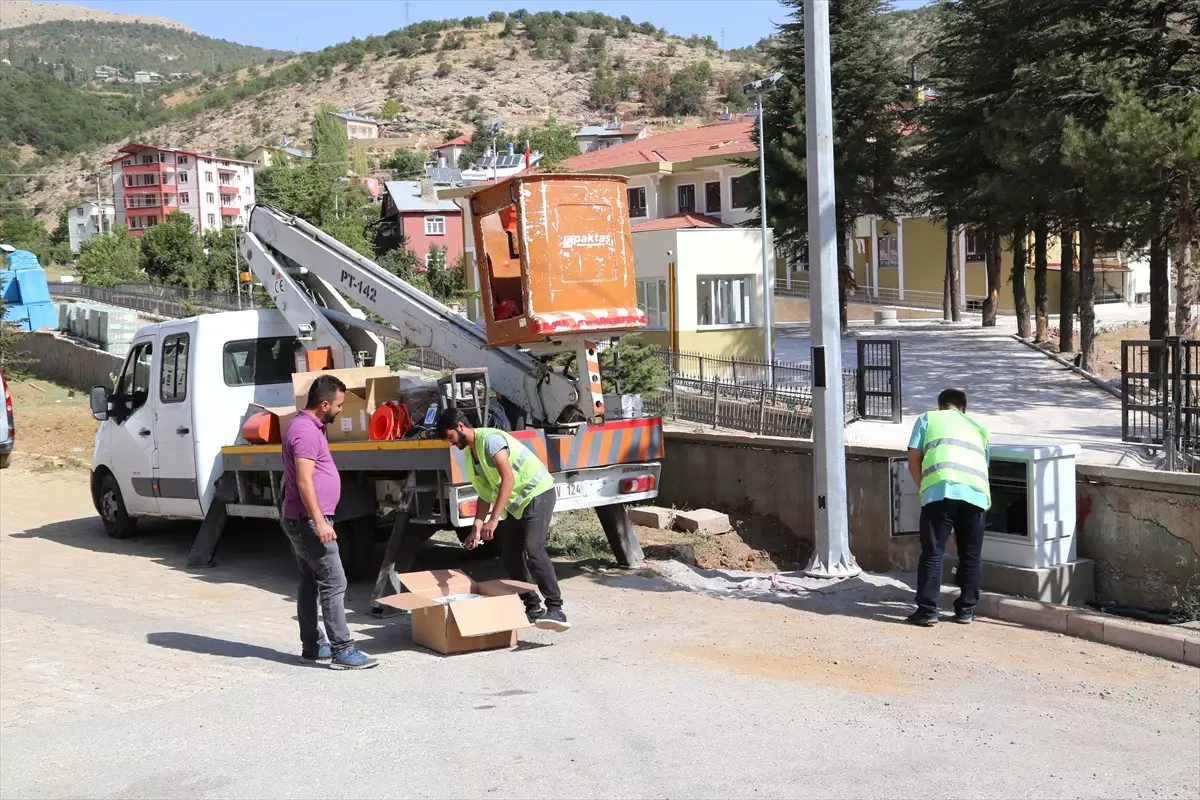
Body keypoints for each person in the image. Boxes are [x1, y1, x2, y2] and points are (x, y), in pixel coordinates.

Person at [437, 408, 570, 632]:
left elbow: (507, 478)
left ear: (461, 427)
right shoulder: (471, 454)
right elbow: (484, 493)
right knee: (510, 556)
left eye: (449, 437)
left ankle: (556, 609)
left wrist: (494, 519)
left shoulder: (490, 440)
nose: (450, 443)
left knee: (533, 549)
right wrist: (477, 528)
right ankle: (533, 607)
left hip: (537, 493)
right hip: (519, 503)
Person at [280, 374, 379, 669]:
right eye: (339, 404)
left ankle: (313, 646)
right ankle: (342, 649)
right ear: (324, 404)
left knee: (310, 582)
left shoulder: (309, 426)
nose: (340, 409)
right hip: (309, 521)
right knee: (335, 582)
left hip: (303, 518)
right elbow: (304, 480)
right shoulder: (306, 432)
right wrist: (320, 521)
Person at [906, 388, 991, 627]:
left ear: (940, 405)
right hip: (976, 495)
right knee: (971, 555)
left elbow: (914, 457)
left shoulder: (929, 418)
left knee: (933, 552)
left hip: (940, 491)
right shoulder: (978, 428)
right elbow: (985, 465)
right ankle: (966, 611)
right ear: (964, 408)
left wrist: (924, 487)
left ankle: (927, 611)